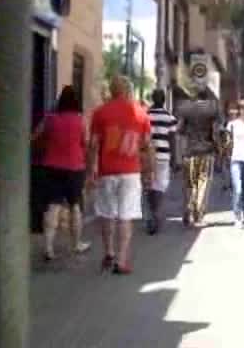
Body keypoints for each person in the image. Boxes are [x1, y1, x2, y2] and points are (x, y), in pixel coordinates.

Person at [87, 75, 155, 275]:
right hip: (130, 172)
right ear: (128, 91)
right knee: (126, 216)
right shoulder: (141, 114)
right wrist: (149, 171)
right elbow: (147, 146)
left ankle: (108, 252)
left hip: (106, 171)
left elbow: (93, 145)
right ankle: (121, 260)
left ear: (112, 90)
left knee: (107, 213)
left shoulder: (100, 113)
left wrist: (91, 170)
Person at [31, 85, 91, 261]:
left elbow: (34, 136)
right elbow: (86, 143)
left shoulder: (50, 119)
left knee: (53, 206)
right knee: (75, 206)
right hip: (75, 167)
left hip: (52, 167)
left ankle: (48, 248)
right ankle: (76, 244)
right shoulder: (81, 120)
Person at [177, 86, 221, 228]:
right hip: (206, 152)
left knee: (189, 184)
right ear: (207, 97)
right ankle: (197, 215)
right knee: (203, 183)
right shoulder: (212, 110)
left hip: (189, 152)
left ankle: (187, 211)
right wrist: (218, 149)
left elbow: (180, 129)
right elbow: (215, 133)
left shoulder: (186, 109)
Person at [145, 89, 177, 235]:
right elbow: (172, 139)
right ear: (164, 101)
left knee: (149, 185)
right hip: (164, 156)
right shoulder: (170, 118)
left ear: (152, 99)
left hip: (147, 155)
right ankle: (156, 213)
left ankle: (152, 212)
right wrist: (174, 159)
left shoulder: (146, 115)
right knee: (160, 185)